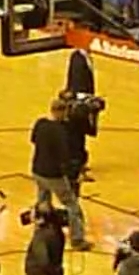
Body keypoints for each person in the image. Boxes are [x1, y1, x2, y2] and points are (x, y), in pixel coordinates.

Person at [29, 98, 85, 245]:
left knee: (43, 201)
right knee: (71, 204)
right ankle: (77, 238)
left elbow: (33, 140)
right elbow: (64, 155)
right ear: (62, 112)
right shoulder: (60, 131)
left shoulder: (40, 124)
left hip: (37, 169)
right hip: (53, 174)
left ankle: (40, 232)